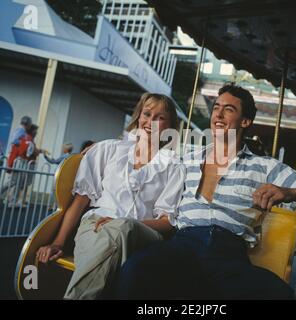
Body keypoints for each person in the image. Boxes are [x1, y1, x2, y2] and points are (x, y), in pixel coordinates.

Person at [117, 84, 296, 300]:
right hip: (182, 245)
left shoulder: (264, 166)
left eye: (229, 109)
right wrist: (102, 152)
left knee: (280, 295)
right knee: (136, 268)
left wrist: (290, 192)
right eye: (216, 107)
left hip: (228, 255)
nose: (218, 113)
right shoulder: (186, 159)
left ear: (245, 121)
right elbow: (146, 163)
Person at [36, 93, 185, 299]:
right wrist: (58, 242)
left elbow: (167, 222)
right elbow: (80, 201)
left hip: (141, 232)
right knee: (108, 247)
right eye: (147, 114)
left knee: (122, 227)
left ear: (170, 126)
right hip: (95, 226)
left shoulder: (174, 165)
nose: (150, 122)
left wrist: (125, 222)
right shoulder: (108, 150)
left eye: (159, 118)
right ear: (138, 116)